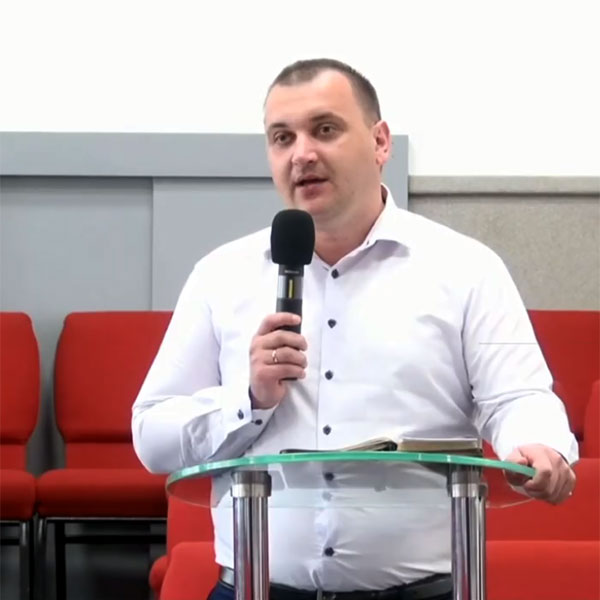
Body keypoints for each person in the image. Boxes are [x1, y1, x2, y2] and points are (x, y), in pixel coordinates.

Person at [132, 58, 577, 600]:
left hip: (424, 591)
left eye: (325, 129)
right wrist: (247, 399)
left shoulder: (465, 268)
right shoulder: (221, 275)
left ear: (380, 142)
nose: (302, 154)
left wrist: (536, 443)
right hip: (253, 587)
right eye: (282, 137)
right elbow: (152, 434)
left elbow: (519, 397)